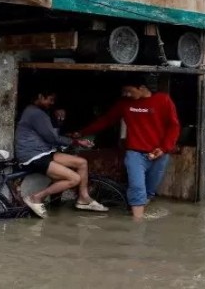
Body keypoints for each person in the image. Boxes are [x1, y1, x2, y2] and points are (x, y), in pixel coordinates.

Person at [73, 75, 180, 221]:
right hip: (134, 153)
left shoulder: (163, 100)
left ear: (141, 88)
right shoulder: (124, 104)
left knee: (149, 191)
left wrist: (164, 148)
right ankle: (137, 225)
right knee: (137, 187)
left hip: (159, 154)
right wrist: (82, 132)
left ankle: (139, 218)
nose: (126, 95)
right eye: (124, 92)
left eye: (129, 91)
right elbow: (106, 120)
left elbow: (173, 126)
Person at [15, 88, 109, 218]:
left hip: (44, 151)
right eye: (50, 99)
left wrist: (70, 136)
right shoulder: (35, 113)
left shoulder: (39, 112)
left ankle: (83, 199)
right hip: (33, 156)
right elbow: (52, 138)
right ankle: (36, 197)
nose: (52, 103)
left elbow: (52, 134)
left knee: (81, 163)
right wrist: (77, 142)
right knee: (74, 178)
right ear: (41, 96)